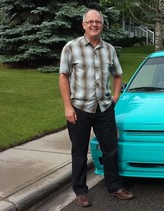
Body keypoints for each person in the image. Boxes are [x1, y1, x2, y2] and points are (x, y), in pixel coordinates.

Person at [59, 9, 134, 207]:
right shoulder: (71, 47)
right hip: (80, 109)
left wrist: (115, 96)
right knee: (79, 152)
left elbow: (117, 74)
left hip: (104, 109)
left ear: (102, 25)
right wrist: (68, 107)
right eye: (90, 22)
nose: (94, 25)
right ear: (83, 25)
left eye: (97, 22)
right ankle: (81, 191)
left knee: (110, 149)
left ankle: (115, 186)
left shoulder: (109, 49)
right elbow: (63, 76)